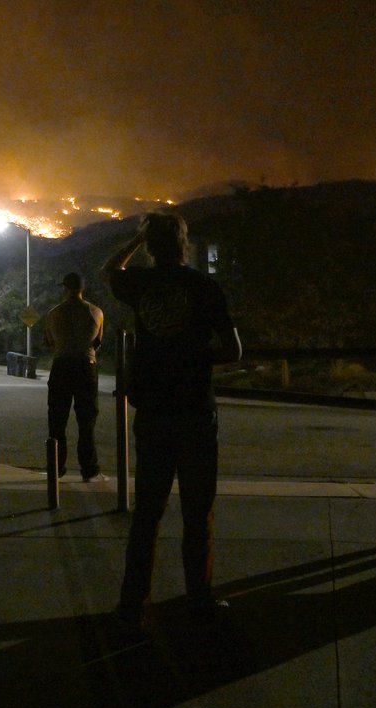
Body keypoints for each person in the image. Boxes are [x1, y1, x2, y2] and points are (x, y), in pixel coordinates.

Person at [102, 212, 241, 628]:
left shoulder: (141, 284)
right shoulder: (203, 286)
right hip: (196, 411)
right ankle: (199, 599)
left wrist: (134, 240)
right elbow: (233, 351)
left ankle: (133, 603)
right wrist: (195, 358)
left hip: (154, 412)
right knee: (199, 513)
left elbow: (110, 270)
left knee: (148, 512)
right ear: (184, 244)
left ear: (149, 245)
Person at [44, 272, 107, 482]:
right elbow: (98, 342)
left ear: (65, 288)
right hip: (86, 365)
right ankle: (89, 469)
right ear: (83, 288)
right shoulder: (96, 312)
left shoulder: (54, 313)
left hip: (61, 364)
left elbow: (50, 342)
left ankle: (55, 467)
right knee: (87, 420)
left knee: (57, 419)